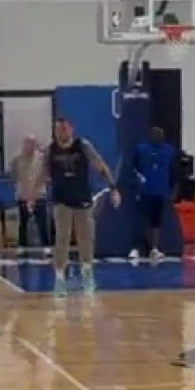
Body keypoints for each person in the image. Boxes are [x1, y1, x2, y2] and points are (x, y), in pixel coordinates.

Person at [30, 117, 120, 296]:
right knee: (61, 238)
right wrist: (32, 196)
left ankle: (87, 274)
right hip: (61, 200)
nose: (61, 132)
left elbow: (100, 165)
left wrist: (113, 188)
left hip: (82, 199)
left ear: (71, 129)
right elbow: (41, 174)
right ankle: (59, 279)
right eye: (58, 129)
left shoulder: (83, 146)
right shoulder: (50, 151)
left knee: (85, 239)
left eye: (64, 129)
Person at [129, 127, 177, 260]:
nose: (157, 135)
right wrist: (139, 180)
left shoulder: (169, 151)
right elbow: (134, 167)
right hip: (144, 190)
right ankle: (136, 248)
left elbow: (174, 171)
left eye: (160, 133)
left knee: (156, 221)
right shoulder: (141, 149)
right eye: (155, 133)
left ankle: (154, 249)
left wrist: (173, 190)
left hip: (160, 191)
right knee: (141, 221)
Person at [11, 135, 51, 249]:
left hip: (39, 197)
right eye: (27, 143)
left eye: (32, 143)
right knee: (22, 225)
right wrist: (24, 193)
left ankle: (46, 249)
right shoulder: (16, 160)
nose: (29, 146)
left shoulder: (42, 159)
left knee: (43, 225)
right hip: (23, 197)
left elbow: (46, 176)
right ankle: (22, 249)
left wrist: (35, 192)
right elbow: (15, 177)